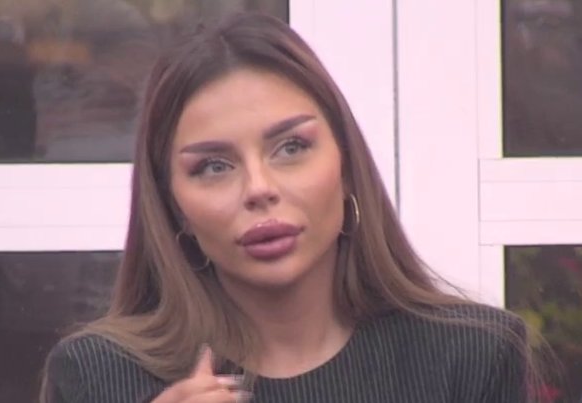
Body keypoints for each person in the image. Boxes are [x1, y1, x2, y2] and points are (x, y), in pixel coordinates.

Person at [41, 12, 542, 403]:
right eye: (213, 166)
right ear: (174, 207)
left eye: (291, 147)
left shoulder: (473, 356)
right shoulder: (98, 376)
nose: (258, 188)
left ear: (347, 166)